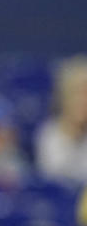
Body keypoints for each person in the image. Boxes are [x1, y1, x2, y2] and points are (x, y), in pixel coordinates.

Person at [36, 56, 87, 185]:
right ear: (65, 96)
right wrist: (73, 134)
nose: (83, 101)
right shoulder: (49, 134)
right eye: (78, 94)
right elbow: (54, 178)